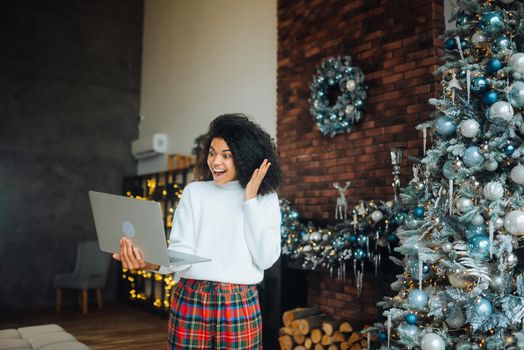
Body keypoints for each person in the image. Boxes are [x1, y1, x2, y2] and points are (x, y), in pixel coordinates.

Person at [113, 113, 282, 349]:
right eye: (212, 153)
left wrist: (250, 200)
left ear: (245, 157)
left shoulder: (265, 198)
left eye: (226, 155)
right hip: (190, 295)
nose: (215, 162)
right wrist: (150, 262)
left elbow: (265, 259)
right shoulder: (195, 192)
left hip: (238, 301)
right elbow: (181, 252)